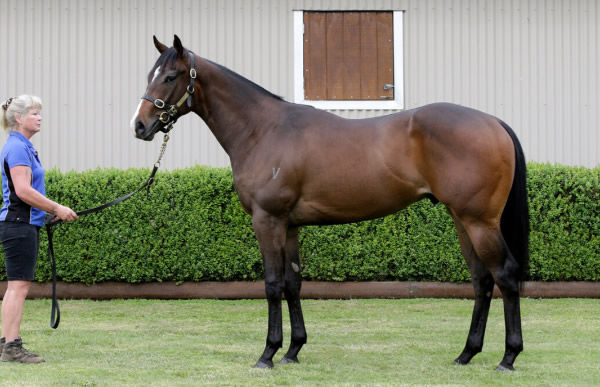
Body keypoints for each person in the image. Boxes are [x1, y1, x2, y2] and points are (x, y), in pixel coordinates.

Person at [0, 95, 78, 363]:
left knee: (16, 286)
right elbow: (22, 191)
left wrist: (44, 215)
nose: (40, 117)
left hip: (22, 224)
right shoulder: (18, 148)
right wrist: (56, 208)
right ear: (19, 119)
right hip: (18, 225)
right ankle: (12, 347)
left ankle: (7, 344)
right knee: (18, 287)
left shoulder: (21, 146)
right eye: (34, 113)